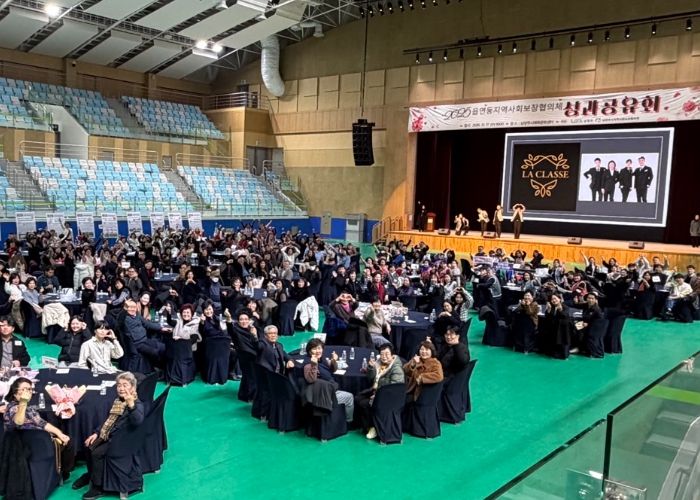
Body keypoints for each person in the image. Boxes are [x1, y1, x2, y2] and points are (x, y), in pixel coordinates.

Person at [72, 372, 144, 500]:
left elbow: (137, 420)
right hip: (111, 434)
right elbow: (109, 420)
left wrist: (131, 405)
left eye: (125, 385)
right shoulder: (118, 401)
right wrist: (97, 433)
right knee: (88, 445)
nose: (121, 388)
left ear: (133, 387)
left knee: (97, 453)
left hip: (121, 440)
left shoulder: (136, 404)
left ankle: (98, 487)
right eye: (119, 385)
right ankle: (91, 474)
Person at [354, 343, 404, 439]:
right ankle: (366, 426)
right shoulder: (378, 362)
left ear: (392, 355)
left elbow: (394, 388)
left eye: (387, 354)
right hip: (375, 391)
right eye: (382, 354)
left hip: (387, 396)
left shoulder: (396, 368)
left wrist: (378, 395)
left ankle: (374, 427)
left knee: (365, 404)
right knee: (358, 398)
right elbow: (370, 378)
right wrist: (371, 368)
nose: (384, 356)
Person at [302, 338, 354, 422]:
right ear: (309, 351)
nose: (318, 351)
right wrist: (314, 365)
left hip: (329, 389)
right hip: (323, 395)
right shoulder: (308, 364)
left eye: (319, 348)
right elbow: (311, 380)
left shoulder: (322, 360)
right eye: (314, 349)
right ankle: (348, 422)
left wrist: (333, 360)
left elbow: (332, 369)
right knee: (349, 397)